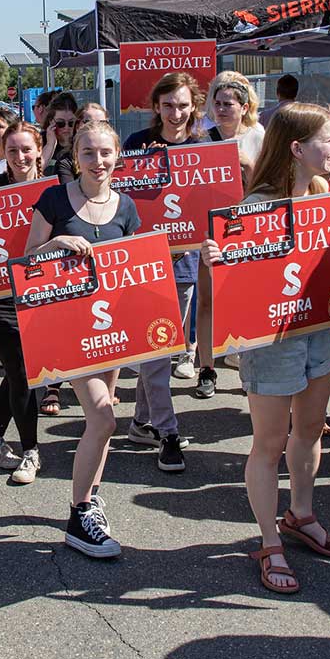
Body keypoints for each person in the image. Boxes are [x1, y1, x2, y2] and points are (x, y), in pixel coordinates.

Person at [201, 102, 330, 593]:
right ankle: (269, 541)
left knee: (309, 430)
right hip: (271, 341)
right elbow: (236, 284)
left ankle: (301, 515)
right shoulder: (257, 204)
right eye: (327, 139)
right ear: (298, 148)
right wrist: (217, 259)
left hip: (317, 330)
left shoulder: (323, 192)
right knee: (269, 444)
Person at [24, 119, 141, 557]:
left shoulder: (126, 206)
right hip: (66, 327)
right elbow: (26, 261)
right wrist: (56, 245)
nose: (98, 161)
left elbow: (133, 267)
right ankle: (79, 516)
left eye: (105, 152)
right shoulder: (54, 199)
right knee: (104, 418)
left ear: (117, 156)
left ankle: (91, 496)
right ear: (75, 156)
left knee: (102, 419)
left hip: (110, 329)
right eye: (88, 152)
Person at [122, 72, 206, 470]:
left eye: (183, 105)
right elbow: (123, 200)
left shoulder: (203, 147)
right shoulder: (138, 143)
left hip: (185, 263)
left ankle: (142, 422)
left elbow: (213, 201)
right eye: (168, 105)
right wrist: (145, 166)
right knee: (158, 347)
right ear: (156, 106)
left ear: (194, 107)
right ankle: (167, 430)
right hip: (146, 262)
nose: (176, 113)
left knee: (161, 349)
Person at [0, 121, 46, 483]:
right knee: (22, 374)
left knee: (25, 373)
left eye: (26, 149)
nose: (20, 156)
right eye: (12, 149)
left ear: (39, 150)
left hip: (40, 293)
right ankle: (31, 450)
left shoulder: (55, 191)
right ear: (2, 151)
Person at [205, 71, 265, 184]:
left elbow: (267, 184)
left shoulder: (259, 138)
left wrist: (247, 165)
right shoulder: (203, 139)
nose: (221, 109)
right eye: (217, 104)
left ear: (244, 108)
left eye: (228, 104)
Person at [41, 92, 79, 183]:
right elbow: (33, 173)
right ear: (51, 121)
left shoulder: (81, 142)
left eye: (71, 123)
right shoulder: (40, 141)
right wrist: (50, 144)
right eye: (60, 123)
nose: (66, 128)